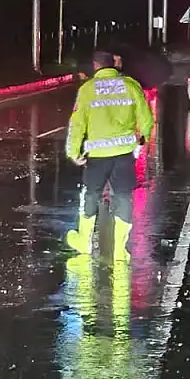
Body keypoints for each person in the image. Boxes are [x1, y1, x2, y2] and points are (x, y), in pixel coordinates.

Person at [64, 50, 155, 259]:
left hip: (97, 156)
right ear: (113, 64)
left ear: (95, 66)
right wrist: (143, 139)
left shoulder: (87, 89)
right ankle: (120, 250)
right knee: (123, 197)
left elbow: (77, 124)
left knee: (91, 195)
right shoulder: (131, 85)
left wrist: (74, 152)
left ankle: (84, 242)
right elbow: (146, 118)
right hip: (124, 154)